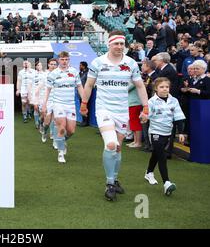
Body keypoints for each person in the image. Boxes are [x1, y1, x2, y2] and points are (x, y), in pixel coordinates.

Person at [80, 30, 149, 201]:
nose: (119, 47)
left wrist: (146, 107)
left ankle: (115, 179)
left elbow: (140, 87)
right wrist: (84, 103)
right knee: (110, 144)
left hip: (122, 111)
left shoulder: (131, 63)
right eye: (116, 43)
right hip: (104, 109)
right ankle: (110, 183)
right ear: (109, 44)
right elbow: (89, 85)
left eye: (122, 44)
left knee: (118, 148)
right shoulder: (98, 62)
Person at [144, 77, 186, 196]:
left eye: (167, 87)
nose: (164, 89)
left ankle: (149, 172)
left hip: (168, 133)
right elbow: (147, 115)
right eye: (161, 87)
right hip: (155, 132)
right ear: (156, 88)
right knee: (162, 155)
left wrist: (181, 133)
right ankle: (167, 183)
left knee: (157, 153)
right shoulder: (151, 101)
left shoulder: (174, 101)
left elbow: (179, 117)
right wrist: (144, 116)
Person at [42, 52, 83, 163]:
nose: (64, 61)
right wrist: (45, 104)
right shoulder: (53, 74)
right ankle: (60, 153)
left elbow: (79, 86)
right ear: (58, 60)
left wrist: (84, 102)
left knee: (71, 131)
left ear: (69, 60)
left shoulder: (74, 72)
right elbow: (48, 90)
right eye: (62, 59)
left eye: (66, 59)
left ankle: (61, 141)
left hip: (70, 105)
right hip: (58, 104)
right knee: (61, 128)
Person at [40, 58, 58, 145]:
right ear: (48, 65)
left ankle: (55, 140)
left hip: (57, 100)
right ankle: (44, 131)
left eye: (55, 64)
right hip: (48, 100)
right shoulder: (44, 75)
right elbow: (41, 87)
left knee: (55, 120)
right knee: (47, 121)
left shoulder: (60, 74)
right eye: (52, 64)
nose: (53, 66)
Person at [28, 61, 46, 130]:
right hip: (35, 94)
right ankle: (37, 123)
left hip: (43, 94)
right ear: (36, 66)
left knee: (42, 111)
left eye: (41, 65)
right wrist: (29, 94)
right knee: (36, 108)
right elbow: (30, 85)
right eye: (38, 65)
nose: (39, 66)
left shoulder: (45, 74)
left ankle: (40, 122)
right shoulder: (32, 74)